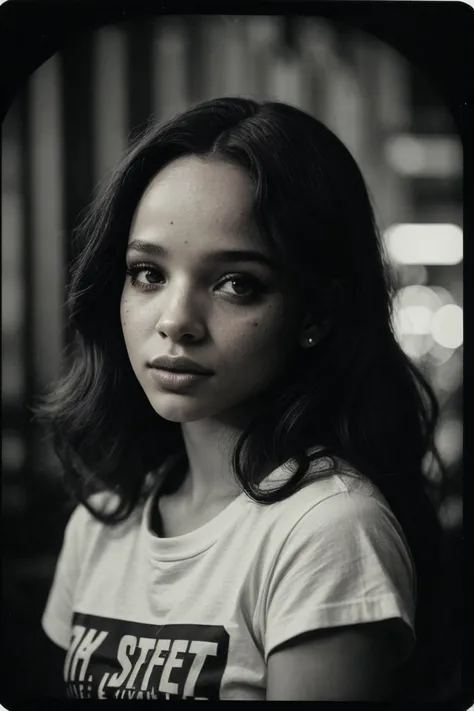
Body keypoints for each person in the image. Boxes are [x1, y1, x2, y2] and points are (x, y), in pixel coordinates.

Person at [37, 97, 445, 701]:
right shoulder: (102, 521)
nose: (176, 321)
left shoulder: (327, 530)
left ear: (314, 313)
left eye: (236, 283)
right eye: (148, 273)